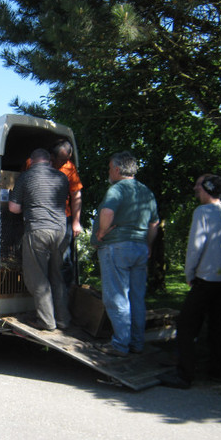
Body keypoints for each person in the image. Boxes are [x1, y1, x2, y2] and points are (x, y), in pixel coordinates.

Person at [160, 174, 221, 388]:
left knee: (186, 324)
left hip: (206, 277)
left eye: (199, 187)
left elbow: (196, 246)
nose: (196, 190)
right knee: (217, 324)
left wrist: (189, 274)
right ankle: (217, 371)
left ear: (207, 189)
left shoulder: (202, 212)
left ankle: (184, 374)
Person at [91, 151, 159, 357]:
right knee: (136, 297)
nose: (109, 171)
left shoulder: (117, 189)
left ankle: (120, 344)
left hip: (117, 247)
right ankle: (136, 343)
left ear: (118, 169)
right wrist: (148, 245)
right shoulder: (146, 191)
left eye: (110, 168)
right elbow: (154, 223)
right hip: (139, 248)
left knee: (116, 297)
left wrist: (101, 232)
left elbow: (107, 212)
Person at [9, 148, 71, 331]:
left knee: (38, 279)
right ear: (49, 161)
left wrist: (26, 205)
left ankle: (46, 321)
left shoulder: (26, 177)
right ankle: (63, 320)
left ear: (32, 161)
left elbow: (13, 208)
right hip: (60, 231)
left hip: (38, 230)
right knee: (57, 277)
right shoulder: (61, 178)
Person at [50, 139, 84, 287]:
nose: (65, 162)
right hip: (42, 218)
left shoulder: (70, 168)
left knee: (65, 258)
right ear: (52, 156)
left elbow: (76, 195)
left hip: (64, 218)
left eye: (68, 159)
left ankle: (66, 295)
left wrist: (76, 222)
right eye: (62, 160)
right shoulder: (35, 163)